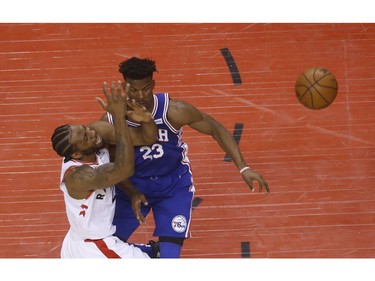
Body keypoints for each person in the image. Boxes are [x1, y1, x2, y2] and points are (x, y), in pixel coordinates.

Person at [100, 57, 270, 258]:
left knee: (170, 257)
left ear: (153, 84)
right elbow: (113, 165)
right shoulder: (111, 120)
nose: (140, 95)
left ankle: (161, 251)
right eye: (133, 90)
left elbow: (215, 128)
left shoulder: (173, 111)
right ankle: (151, 251)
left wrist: (243, 167)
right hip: (133, 186)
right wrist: (132, 192)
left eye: (145, 88)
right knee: (105, 249)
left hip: (174, 186)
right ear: (124, 87)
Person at [51, 81, 158, 258]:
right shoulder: (79, 177)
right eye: (86, 137)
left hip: (76, 239)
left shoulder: (96, 136)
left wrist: (146, 119)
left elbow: (147, 138)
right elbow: (124, 169)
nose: (92, 133)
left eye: (85, 128)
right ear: (77, 154)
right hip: (95, 247)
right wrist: (118, 117)